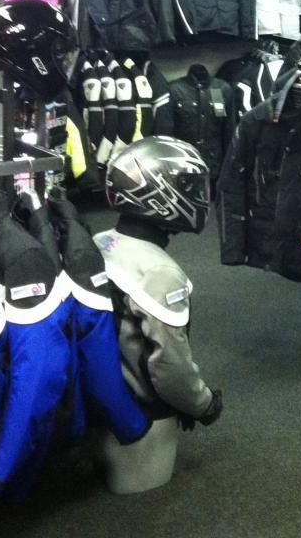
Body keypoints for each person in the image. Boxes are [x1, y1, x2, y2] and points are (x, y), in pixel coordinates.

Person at [92, 136, 223, 494]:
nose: (198, 195)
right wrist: (203, 404)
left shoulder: (100, 241)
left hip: (102, 400)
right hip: (143, 420)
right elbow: (169, 367)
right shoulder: (159, 271)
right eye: (188, 186)